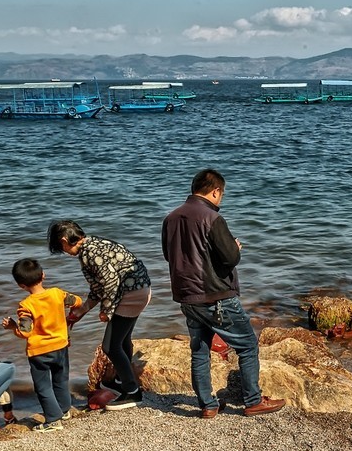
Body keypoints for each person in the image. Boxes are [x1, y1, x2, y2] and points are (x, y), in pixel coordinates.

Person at [161, 168, 285, 418]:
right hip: (215, 296)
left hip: (187, 296)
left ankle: (208, 405)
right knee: (248, 345)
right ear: (216, 191)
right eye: (222, 194)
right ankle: (252, 400)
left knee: (199, 351)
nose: (221, 198)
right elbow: (229, 258)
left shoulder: (171, 218)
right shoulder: (212, 218)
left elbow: (169, 256)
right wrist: (236, 248)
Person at [47, 219, 151, 410]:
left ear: (64, 240)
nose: (64, 252)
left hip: (131, 294)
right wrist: (82, 311)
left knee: (110, 346)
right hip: (139, 289)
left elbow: (110, 282)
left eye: (61, 248)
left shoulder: (90, 253)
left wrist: (106, 311)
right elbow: (98, 288)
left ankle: (132, 392)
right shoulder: (92, 245)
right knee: (123, 340)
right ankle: (123, 380)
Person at [2, 258, 81, 432]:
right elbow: (77, 301)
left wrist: (12, 326)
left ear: (21, 286)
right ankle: (64, 410)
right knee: (61, 379)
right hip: (61, 346)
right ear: (43, 275)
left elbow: (25, 332)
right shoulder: (57, 294)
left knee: (43, 386)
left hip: (40, 353)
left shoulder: (26, 306)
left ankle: (53, 419)